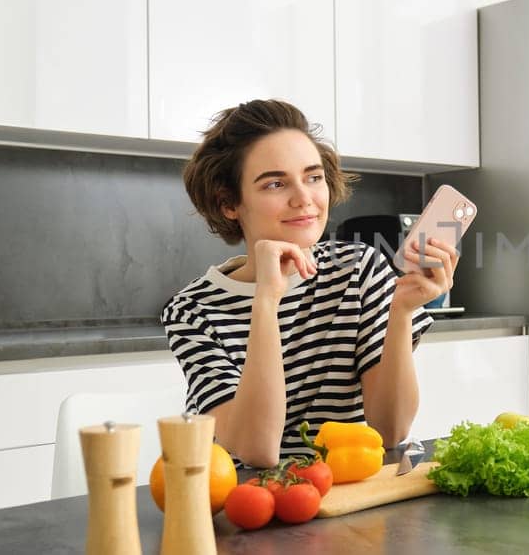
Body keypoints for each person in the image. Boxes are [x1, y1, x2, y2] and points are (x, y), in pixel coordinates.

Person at [162, 99, 458, 468]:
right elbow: (257, 451)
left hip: (343, 494)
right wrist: (266, 302)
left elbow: (391, 430)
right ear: (229, 203)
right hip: (244, 504)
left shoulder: (359, 269)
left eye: (313, 177)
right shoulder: (193, 309)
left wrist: (400, 313)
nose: (304, 199)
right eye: (274, 183)